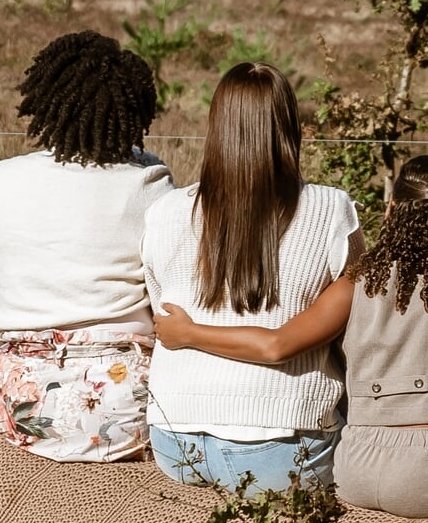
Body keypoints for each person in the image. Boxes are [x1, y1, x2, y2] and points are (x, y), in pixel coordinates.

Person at [155, 156, 428, 517]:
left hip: (355, 468)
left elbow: (277, 346)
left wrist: (190, 332)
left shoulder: (356, 282)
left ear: (391, 209)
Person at [140, 62, 362, 493]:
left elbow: (162, 312)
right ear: (288, 127)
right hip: (280, 449)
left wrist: (191, 333)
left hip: (174, 443)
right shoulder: (331, 209)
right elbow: (358, 320)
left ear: (216, 126)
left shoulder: (165, 211)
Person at [0, 30, 172, 462]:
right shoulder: (150, 181)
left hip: (19, 403)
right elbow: (165, 287)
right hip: (127, 404)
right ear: (134, 111)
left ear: (47, 102)